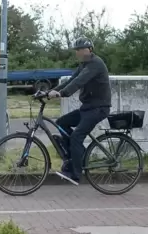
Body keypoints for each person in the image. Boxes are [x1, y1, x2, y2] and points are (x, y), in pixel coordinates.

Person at [47, 37, 112, 186]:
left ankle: (76, 174)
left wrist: (62, 94)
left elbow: (79, 82)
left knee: (76, 137)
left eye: (81, 49)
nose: (78, 53)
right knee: (62, 123)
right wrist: (50, 92)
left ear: (89, 49)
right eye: (77, 50)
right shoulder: (84, 65)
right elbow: (70, 80)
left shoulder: (95, 64)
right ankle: (75, 157)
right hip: (87, 108)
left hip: (99, 108)